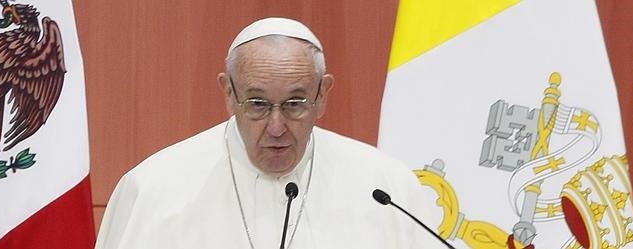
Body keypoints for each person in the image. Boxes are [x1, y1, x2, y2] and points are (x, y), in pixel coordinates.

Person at [95, 17, 441, 249]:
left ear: (323, 94)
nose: (277, 128)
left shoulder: (385, 187)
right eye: (257, 104)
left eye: (295, 104)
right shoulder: (154, 190)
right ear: (228, 93)